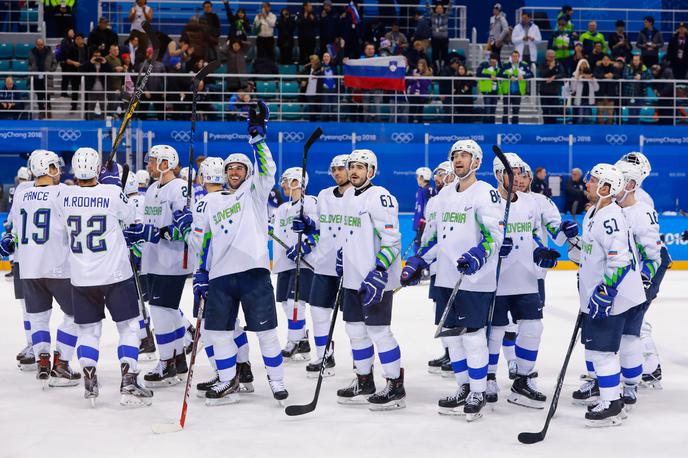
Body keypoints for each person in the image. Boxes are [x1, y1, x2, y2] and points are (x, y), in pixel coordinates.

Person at [191, 101, 288, 404]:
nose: (234, 172)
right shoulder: (213, 202)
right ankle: (227, 378)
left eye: (240, 168)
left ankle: (276, 381)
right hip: (220, 277)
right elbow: (205, 241)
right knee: (218, 333)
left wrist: (258, 139)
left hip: (253, 273)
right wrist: (201, 272)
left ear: (247, 173)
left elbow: (267, 169)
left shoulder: (255, 193)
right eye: (230, 168)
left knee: (267, 333)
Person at [403, 140, 503, 421]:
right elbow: (436, 237)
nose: (459, 159)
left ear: (477, 162)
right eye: (455, 155)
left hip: (474, 279)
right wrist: (420, 260)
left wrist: (476, 256)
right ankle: (463, 386)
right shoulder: (444, 195)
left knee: (472, 337)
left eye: (465, 155)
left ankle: (479, 391)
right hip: (447, 278)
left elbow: (494, 236)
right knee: (453, 339)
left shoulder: (485, 193)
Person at [59, 148, 153, 406]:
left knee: (88, 331)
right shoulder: (112, 192)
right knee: (129, 327)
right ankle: (129, 381)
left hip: (81, 276)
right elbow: (129, 216)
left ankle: (90, 381)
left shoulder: (64, 195)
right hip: (114, 273)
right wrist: (112, 183)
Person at [573, 163, 644, 427]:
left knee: (602, 352)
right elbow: (593, 253)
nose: (587, 184)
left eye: (592, 181)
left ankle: (612, 404)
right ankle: (612, 398)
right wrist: (573, 244)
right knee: (599, 350)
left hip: (613, 299)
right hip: (604, 295)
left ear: (605, 188)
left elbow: (620, 261)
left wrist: (605, 293)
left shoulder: (611, 217)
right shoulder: (594, 212)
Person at [485, 153, 559, 409]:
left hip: (526, 277)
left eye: (519, 172)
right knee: (495, 331)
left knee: (533, 328)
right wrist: (494, 248)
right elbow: (479, 237)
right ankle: (489, 377)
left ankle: (523, 380)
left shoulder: (531, 203)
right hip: (496, 279)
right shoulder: (487, 201)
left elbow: (534, 235)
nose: (516, 177)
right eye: (510, 172)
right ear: (498, 174)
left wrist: (541, 253)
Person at [1, 150, 79, 388]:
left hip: (29, 268)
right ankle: (61, 363)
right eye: (55, 166)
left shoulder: (22, 194)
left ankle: (42, 360)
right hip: (59, 266)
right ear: (47, 168)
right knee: (76, 315)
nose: (58, 170)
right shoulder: (64, 192)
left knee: (37, 318)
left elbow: (11, 231)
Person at [335, 149, 405, 411]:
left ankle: (395, 385)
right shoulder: (348, 196)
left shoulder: (381, 197)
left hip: (375, 280)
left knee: (379, 332)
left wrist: (378, 270)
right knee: (355, 330)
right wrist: (343, 255)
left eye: (360, 167)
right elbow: (350, 234)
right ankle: (364, 380)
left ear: (371, 171)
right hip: (353, 278)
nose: (354, 171)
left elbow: (393, 240)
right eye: (351, 166)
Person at [123, 144, 191, 387]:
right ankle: (177, 358)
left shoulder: (180, 188)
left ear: (166, 163)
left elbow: (186, 229)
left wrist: (157, 233)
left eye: (153, 161)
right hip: (153, 260)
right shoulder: (152, 189)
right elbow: (149, 224)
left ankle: (166, 362)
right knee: (168, 312)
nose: (149, 165)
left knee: (161, 312)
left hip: (173, 261)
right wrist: (138, 234)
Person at [291, 154, 351, 377]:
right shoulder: (325, 195)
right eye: (333, 169)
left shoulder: (359, 196)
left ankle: (363, 366)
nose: (336, 173)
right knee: (318, 311)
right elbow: (319, 227)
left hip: (351, 266)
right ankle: (324, 355)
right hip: (325, 264)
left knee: (356, 321)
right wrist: (307, 225)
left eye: (340, 168)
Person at [272, 166, 318, 361]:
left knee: (295, 303)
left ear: (296, 182)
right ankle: (303, 339)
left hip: (303, 263)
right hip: (284, 263)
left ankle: (295, 341)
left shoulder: (311, 202)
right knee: (285, 303)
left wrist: (304, 247)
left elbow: (318, 230)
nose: (282, 185)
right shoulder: (283, 208)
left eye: (285, 181)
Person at [499, 50, 532, 125]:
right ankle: (504, 128)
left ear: (519, 57)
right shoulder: (506, 64)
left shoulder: (523, 65)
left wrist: (523, 76)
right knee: (505, 111)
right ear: (511, 57)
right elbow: (499, 74)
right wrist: (509, 76)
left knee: (516, 111)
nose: (514, 58)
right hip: (507, 91)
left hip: (518, 92)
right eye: (513, 56)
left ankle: (515, 128)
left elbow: (531, 74)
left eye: (516, 56)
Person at [28, 38, 57, 120]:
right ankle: (41, 111)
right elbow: (29, 63)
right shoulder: (32, 52)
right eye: (39, 45)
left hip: (47, 77)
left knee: (47, 95)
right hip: (37, 77)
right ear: (36, 45)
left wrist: (51, 70)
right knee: (39, 95)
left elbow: (54, 62)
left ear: (43, 44)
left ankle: (48, 110)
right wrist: (31, 70)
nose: (41, 46)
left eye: (42, 45)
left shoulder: (49, 51)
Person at [82, 49, 113, 120]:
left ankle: (102, 121)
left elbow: (111, 72)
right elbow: (81, 70)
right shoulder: (89, 63)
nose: (97, 58)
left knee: (103, 106)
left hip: (102, 89)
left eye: (99, 56)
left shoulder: (104, 64)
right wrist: (90, 62)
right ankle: (90, 121)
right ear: (92, 56)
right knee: (91, 107)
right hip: (92, 89)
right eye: (95, 56)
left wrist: (105, 63)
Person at [623, 54, 651, 124]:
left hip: (641, 94)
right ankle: (631, 127)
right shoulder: (628, 67)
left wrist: (641, 77)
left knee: (638, 111)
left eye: (636, 60)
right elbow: (625, 76)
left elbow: (650, 77)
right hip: (630, 93)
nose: (635, 61)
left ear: (640, 61)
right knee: (632, 111)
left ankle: (636, 128)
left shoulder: (644, 67)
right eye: (634, 60)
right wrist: (634, 78)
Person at [539, 49, 565, 124]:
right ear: (546, 57)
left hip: (554, 91)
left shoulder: (558, 64)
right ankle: (546, 125)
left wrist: (554, 77)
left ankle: (553, 127)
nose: (552, 59)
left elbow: (562, 73)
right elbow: (542, 74)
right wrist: (550, 67)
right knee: (545, 110)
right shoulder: (542, 64)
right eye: (551, 57)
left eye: (553, 57)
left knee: (554, 109)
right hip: (544, 91)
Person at [569, 58, 598, 124]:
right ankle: (578, 133)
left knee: (587, 118)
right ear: (579, 65)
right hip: (579, 100)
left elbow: (596, 89)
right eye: (582, 64)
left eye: (585, 64)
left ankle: (587, 133)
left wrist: (592, 80)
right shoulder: (574, 74)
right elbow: (573, 89)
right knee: (580, 118)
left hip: (588, 100)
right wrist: (577, 78)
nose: (583, 66)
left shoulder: (591, 75)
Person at [413, 166, 434, 253]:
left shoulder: (428, 190)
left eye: (418, 176)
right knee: (417, 244)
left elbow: (429, 207)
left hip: (424, 224)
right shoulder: (421, 190)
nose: (417, 178)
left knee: (421, 246)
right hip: (420, 224)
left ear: (422, 177)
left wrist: (425, 221)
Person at [594, 53, 620, 124]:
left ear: (610, 61)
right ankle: (600, 129)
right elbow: (596, 75)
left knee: (610, 114)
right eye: (604, 59)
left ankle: (609, 129)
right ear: (602, 60)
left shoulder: (614, 68)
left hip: (611, 94)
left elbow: (618, 76)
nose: (606, 61)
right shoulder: (598, 68)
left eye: (607, 60)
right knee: (600, 113)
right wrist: (604, 76)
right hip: (600, 94)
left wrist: (613, 75)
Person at [426, 0, 451, 71]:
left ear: (443, 10)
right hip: (435, 38)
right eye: (438, 8)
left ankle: (443, 68)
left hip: (444, 39)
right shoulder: (433, 16)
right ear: (435, 9)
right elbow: (428, 8)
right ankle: (436, 67)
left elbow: (449, 8)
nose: (439, 10)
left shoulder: (445, 16)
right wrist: (427, 2)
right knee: (435, 54)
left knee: (444, 54)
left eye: (441, 8)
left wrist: (451, 2)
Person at [476, 53, 501, 124]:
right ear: (489, 59)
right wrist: (489, 76)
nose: (493, 60)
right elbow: (478, 74)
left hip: (495, 91)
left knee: (493, 111)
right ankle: (486, 128)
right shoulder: (484, 65)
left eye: (495, 59)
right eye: (492, 59)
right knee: (487, 111)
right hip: (487, 91)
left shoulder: (498, 67)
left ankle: (492, 128)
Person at [406, 58, 433, 123]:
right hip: (413, 94)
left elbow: (426, 85)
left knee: (420, 110)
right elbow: (408, 82)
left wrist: (419, 78)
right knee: (412, 110)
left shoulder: (428, 73)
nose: (419, 67)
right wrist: (414, 79)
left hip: (422, 94)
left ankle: (419, 124)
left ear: (424, 66)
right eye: (419, 65)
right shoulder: (414, 71)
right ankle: (410, 124)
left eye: (421, 65)